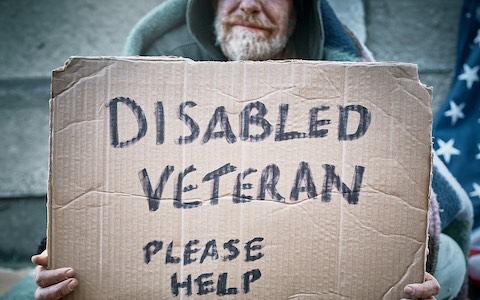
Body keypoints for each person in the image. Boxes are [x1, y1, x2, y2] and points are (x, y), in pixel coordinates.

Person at [32, 0, 470, 299]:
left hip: (311, 274)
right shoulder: (154, 73)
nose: (249, 4)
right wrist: (68, 267)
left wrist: (408, 271)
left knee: (447, 261)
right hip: (196, 270)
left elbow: (422, 209)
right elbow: (102, 202)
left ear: (300, 11)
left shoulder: (347, 76)